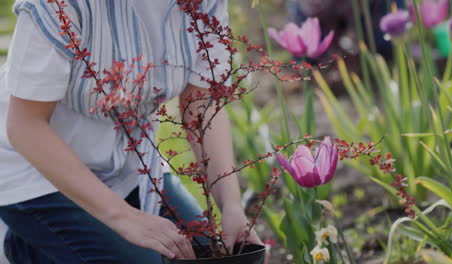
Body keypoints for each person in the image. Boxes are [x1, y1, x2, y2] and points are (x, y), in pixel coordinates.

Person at [0, 0, 263, 263]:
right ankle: (26, 246)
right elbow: (25, 126)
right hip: (36, 170)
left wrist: (231, 207)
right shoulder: (58, 5)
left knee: (207, 253)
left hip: (129, 164)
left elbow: (201, 104)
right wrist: (126, 218)